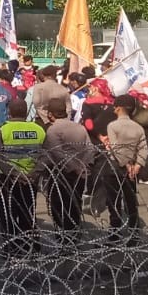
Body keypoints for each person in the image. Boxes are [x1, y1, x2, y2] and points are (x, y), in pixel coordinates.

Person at [0, 98, 44, 252]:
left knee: (8, 213)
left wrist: (14, 173)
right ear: (26, 112)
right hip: (31, 179)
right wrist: (34, 172)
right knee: (27, 212)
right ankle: (29, 246)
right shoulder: (38, 129)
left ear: (9, 112)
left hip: (7, 179)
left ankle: (11, 248)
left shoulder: (2, 130)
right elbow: (45, 155)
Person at [40, 98, 91, 238]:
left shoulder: (53, 130)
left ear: (51, 114)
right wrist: (82, 167)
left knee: (59, 206)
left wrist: (73, 167)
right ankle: (74, 235)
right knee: (75, 205)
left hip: (61, 174)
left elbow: (57, 152)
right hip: (80, 174)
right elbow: (90, 149)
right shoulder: (79, 127)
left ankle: (64, 238)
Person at [98, 95, 147, 234]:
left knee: (114, 201)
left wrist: (125, 164)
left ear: (118, 108)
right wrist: (137, 165)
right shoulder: (138, 127)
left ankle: (115, 231)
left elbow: (116, 148)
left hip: (114, 169)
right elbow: (143, 148)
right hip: (132, 169)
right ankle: (134, 230)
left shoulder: (113, 126)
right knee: (130, 200)